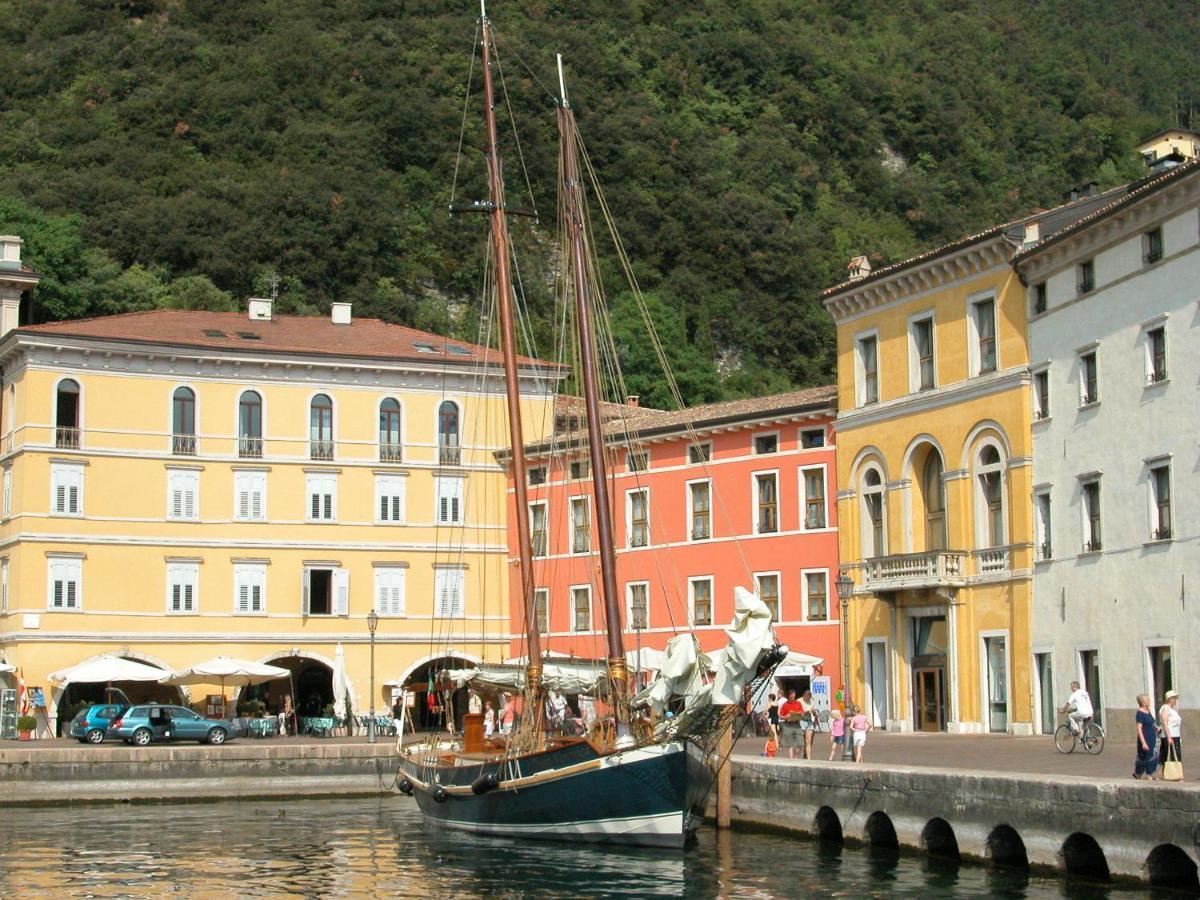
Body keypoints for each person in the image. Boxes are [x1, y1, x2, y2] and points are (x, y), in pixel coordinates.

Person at [1134, 694, 1158, 780]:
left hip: (1152, 737)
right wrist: (1143, 742)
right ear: (1143, 703)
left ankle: (1142, 774)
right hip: (1145, 738)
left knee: (1151, 756)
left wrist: (1156, 728)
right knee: (1145, 757)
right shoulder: (1140, 714)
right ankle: (1148, 776)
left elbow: (1151, 724)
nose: (1149, 701)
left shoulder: (1148, 711)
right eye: (1147, 700)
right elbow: (1139, 728)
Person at [1159, 689, 1182, 775]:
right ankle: (1171, 775)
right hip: (1169, 736)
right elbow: (1165, 723)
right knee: (1170, 756)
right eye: (1174, 698)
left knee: (1174, 755)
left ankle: (1172, 774)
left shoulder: (1171, 709)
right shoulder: (1165, 709)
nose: (1176, 700)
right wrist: (1169, 737)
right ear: (1170, 699)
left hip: (1175, 735)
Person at [778, 690, 805, 760]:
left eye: (794, 696)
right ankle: (791, 759)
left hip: (797, 724)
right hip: (788, 725)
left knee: (801, 743)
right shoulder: (785, 704)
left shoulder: (798, 703)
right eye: (792, 697)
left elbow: (802, 713)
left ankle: (796, 757)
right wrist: (786, 716)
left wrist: (801, 714)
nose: (793, 698)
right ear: (789, 696)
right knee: (790, 744)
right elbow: (780, 716)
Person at [798, 689, 817, 760]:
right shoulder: (799, 701)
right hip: (801, 721)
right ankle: (797, 757)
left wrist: (814, 713)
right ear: (804, 696)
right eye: (807, 698)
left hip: (809, 721)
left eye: (809, 698)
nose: (808, 700)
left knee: (809, 741)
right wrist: (807, 711)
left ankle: (808, 758)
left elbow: (813, 710)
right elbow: (798, 712)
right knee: (800, 741)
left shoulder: (811, 701)